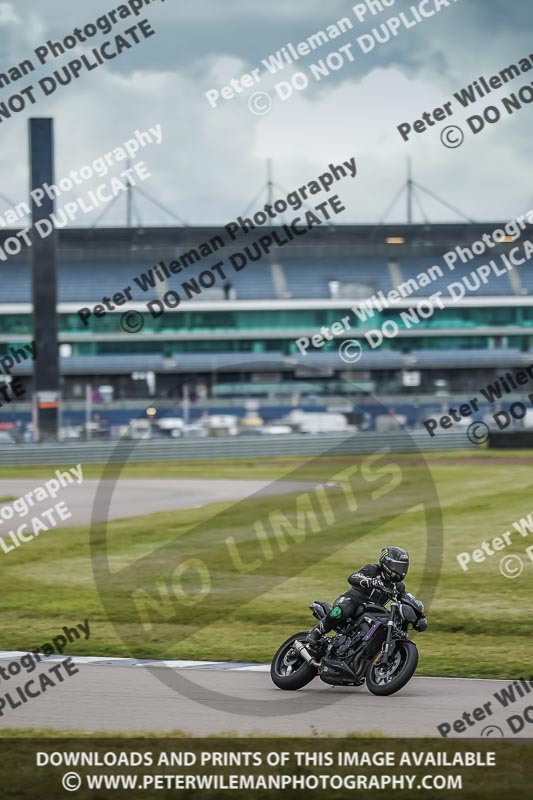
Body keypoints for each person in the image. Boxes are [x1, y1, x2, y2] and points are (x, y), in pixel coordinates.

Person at [306, 546, 410, 646]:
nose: (401, 571)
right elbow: (353, 577)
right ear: (386, 563)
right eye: (397, 567)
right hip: (353, 600)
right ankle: (316, 632)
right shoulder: (372, 569)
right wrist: (369, 581)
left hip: (373, 611)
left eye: (403, 567)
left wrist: (418, 613)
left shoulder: (398, 586)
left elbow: (406, 598)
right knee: (342, 610)